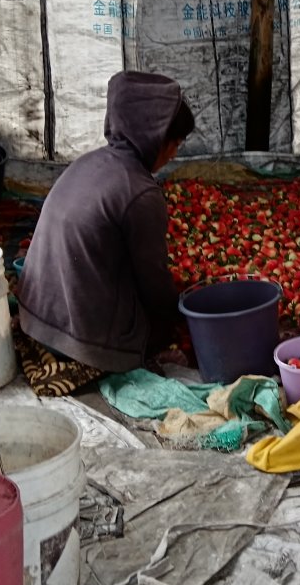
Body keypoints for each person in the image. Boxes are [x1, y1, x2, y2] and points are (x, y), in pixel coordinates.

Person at [18, 71, 193, 379]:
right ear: (154, 137)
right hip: (83, 343)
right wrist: (182, 315)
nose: (174, 154)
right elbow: (154, 284)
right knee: (163, 324)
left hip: (34, 319)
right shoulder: (141, 192)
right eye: (175, 143)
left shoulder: (85, 163)